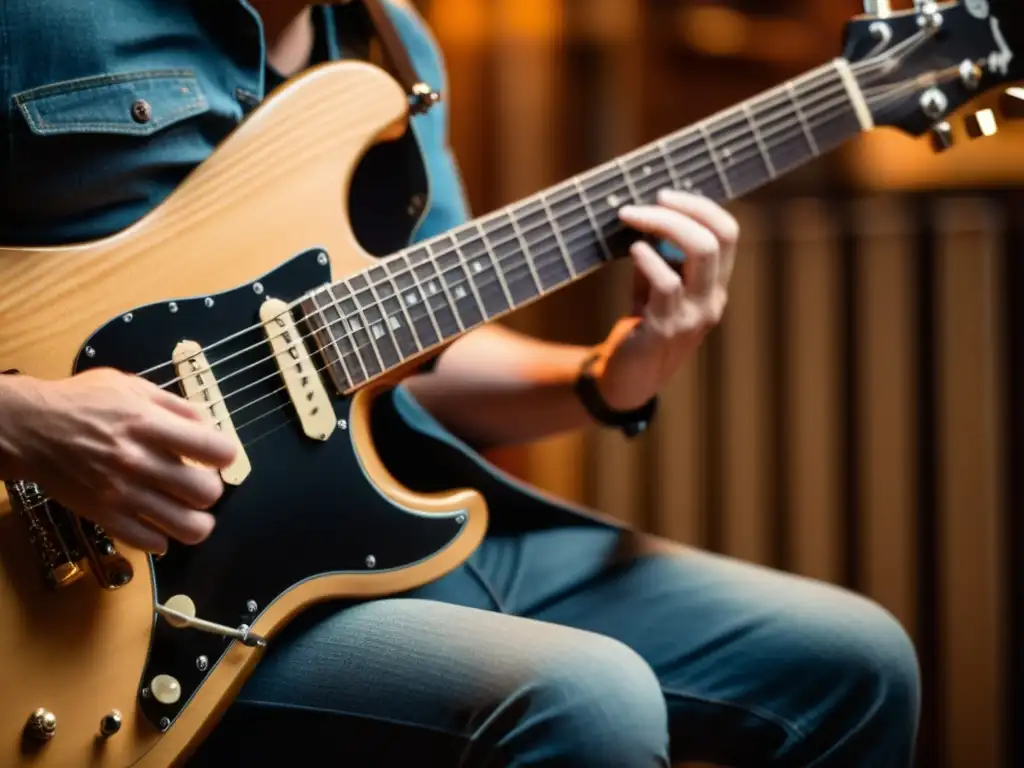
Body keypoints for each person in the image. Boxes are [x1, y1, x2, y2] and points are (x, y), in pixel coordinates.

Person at [0, 1, 921, 766]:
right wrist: (29, 421)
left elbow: (405, 352)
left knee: (857, 663)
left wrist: (607, 375)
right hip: (107, 607)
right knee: (586, 701)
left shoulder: (391, 47)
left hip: (346, 536)